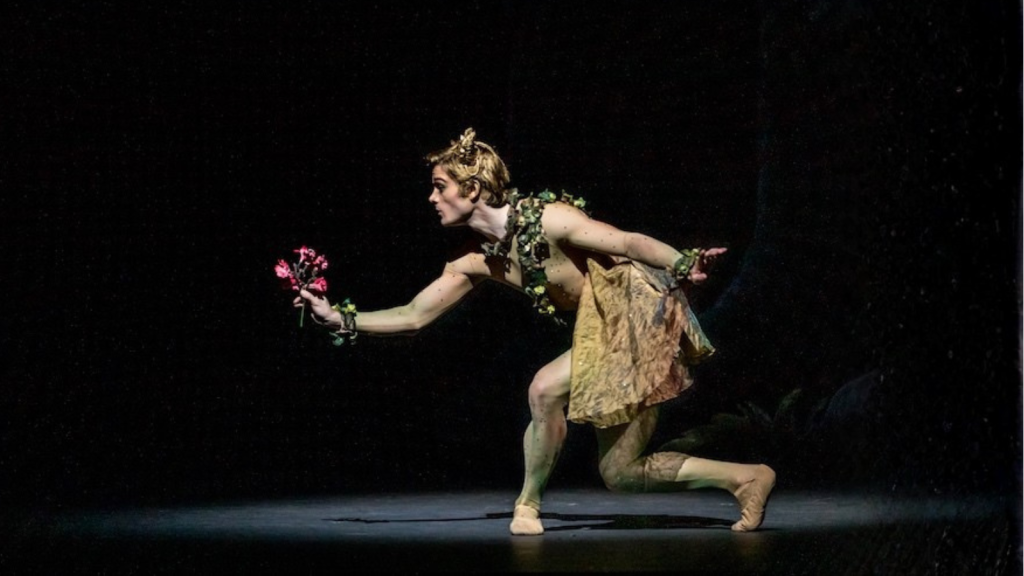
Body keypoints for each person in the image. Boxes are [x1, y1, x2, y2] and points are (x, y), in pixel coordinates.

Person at [294, 128, 775, 535]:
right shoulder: (479, 261)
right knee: (621, 475)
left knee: (544, 388)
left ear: (474, 189)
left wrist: (682, 262)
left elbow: (626, 241)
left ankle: (527, 504)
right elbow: (415, 314)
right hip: (604, 333)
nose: (432, 198)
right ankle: (745, 479)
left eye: (440, 186)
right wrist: (341, 318)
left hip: (633, 314)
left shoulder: (551, 220)